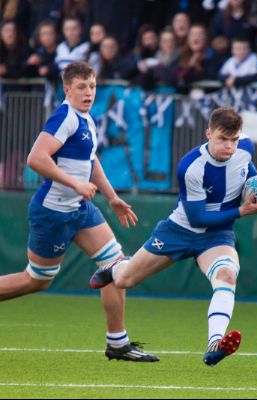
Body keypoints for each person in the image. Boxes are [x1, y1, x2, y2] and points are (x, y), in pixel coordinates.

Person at [90, 107, 257, 366]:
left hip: (216, 235)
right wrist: (243, 210)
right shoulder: (191, 167)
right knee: (125, 280)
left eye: (234, 140)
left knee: (227, 275)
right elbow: (198, 219)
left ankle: (215, 344)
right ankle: (116, 266)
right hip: (180, 231)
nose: (229, 146)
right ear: (208, 134)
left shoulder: (245, 147)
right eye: (222, 139)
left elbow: (246, 166)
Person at [0, 61, 159, 363]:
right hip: (54, 212)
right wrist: (75, 183)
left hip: (80, 209)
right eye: (82, 87)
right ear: (67, 89)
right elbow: (36, 158)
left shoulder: (86, 118)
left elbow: (91, 161)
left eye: (92, 86)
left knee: (115, 265)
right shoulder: (65, 117)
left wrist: (112, 197)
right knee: (37, 280)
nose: (89, 92)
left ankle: (118, 343)